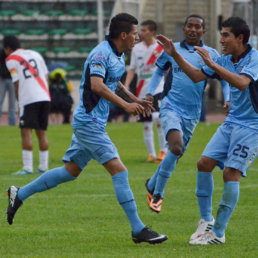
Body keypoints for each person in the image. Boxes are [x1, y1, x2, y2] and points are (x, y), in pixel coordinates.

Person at [6, 13, 168, 245]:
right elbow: (97, 84)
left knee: (69, 172)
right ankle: (138, 229)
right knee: (120, 171)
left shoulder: (118, 54)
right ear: (123, 35)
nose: (137, 37)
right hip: (89, 123)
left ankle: (18, 194)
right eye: (134, 33)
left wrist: (135, 98)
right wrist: (126, 105)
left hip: (93, 122)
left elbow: (114, 81)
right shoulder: (100, 53)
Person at [157, 16, 258, 245]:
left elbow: (243, 83)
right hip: (232, 122)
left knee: (230, 174)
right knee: (203, 163)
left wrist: (213, 65)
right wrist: (175, 54)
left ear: (240, 38)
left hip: (252, 126)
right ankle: (206, 221)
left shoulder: (254, 58)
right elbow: (195, 75)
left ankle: (218, 233)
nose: (221, 39)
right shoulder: (224, 59)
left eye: (225, 35)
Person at [145, 14, 230, 213]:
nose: (192, 29)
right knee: (175, 147)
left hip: (192, 114)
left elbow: (224, 79)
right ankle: (158, 194)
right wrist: (150, 92)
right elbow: (159, 71)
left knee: (176, 153)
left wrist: (227, 98)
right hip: (170, 106)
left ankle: (151, 185)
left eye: (197, 27)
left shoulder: (210, 54)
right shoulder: (171, 49)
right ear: (184, 29)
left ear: (203, 31)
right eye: (189, 26)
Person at [4, 35, 50, 175]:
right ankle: (43, 167)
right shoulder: (36, 54)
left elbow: (16, 82)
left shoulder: (11, 59)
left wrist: (19, 100)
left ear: (8, 48)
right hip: (44, 95)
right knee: (41, 132)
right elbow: (46, 76)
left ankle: (28, 168)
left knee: (26, 131)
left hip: (29, 97)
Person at [124, 20, 167, 163]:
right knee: (147, 123)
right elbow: (132, 68)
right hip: (141, 90)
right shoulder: (136, 49)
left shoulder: (160, 48)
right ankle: (151, 154)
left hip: (157, 88)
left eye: (144, 30)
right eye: (140, 30)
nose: (141, 33)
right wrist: (126, 84)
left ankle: (163, 151)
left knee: (158, 118)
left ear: (152, 32)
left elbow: (167, 68)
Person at [0, 48, 16, 125]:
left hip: (12, 79)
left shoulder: (14, 54)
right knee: (0, 100)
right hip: (2, 79)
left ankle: (12, 123)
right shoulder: (1, 54)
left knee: (12, 103)